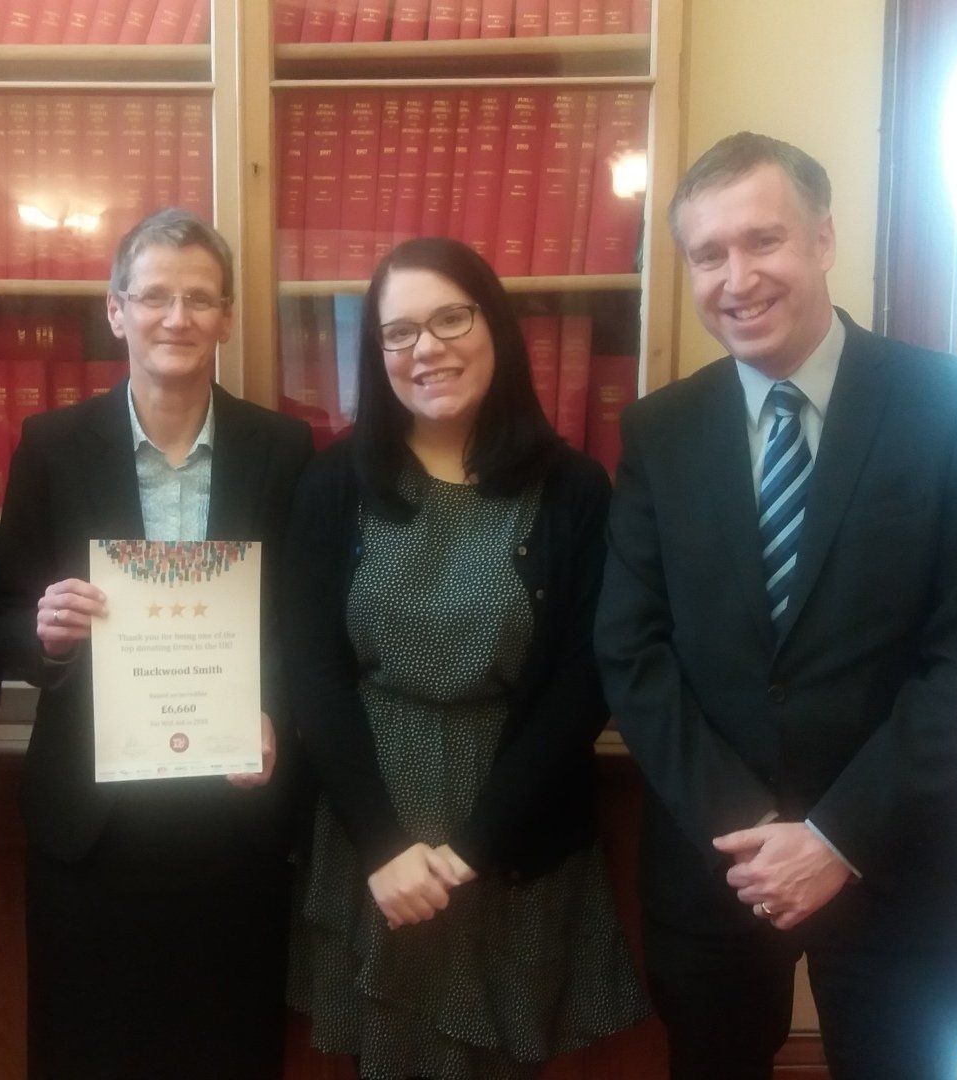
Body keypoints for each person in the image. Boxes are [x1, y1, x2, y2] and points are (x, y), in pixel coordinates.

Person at [594, 131, 957, 1079]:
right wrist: (757, 838)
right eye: (708, 255)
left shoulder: (955, 406)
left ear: (824, 238)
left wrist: (836, 838)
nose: (736, 278)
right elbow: (632, 650)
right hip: (720, 866)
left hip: (900, 854)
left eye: (764, 241)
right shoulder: (659, 432)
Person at [283, 237, 649, 1079]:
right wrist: (384, 844)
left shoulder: (574, 488)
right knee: (386, 1054)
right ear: (378, 356)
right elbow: (313, 672)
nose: (427, 348)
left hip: (514, 823)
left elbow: (583, 682)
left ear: (497, 328)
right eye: (399, 332)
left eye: (451, 318)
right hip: (373, 825)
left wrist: (477, 845)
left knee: (504, 1057)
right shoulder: (334, 481)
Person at [0, 207, 314, 1079]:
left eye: (200, 299)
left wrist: (274, 713)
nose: (178, 317)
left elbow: (304, 620)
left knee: (227, 1045)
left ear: (227, 318)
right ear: (116, 309)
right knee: (89, 1047)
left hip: (232, 812)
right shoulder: (50, 447)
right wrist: (44, 634)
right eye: (156, 295)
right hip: (93, 824)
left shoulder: (283, 449)